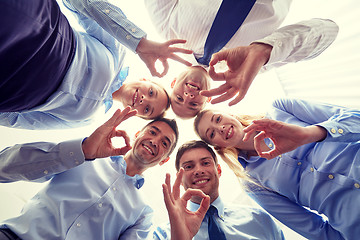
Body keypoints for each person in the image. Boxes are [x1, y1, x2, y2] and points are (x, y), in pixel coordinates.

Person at [0, 0, 192, 129]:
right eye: (151, 92)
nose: (144, 100)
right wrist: (139, 43)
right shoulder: (117, 52)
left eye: (147, 110)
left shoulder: (86, 120)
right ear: (145, 80)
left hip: (12, 89)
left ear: (137, 116)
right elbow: (84, 4)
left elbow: (20, 120)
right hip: (39, 30)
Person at [0, 107, 179, 240]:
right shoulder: (83, 155)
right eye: (153, 132)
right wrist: (82, 151)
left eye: (165, 143)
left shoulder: (143, 214)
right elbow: (4, 168)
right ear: (138, 134)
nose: (155, 141)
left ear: (164, 160)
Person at [194, 98, 360, 240]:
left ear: (230, 114)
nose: (220, 128)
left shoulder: (280, 109)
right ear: (217, 146)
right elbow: (314, 230)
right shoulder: (252, 184)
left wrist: (308, 134)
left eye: (217, 119)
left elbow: (355, 119)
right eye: (212, 134)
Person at [144, 0, 339, 118]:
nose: (188, 96)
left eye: (178, 98)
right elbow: (329, 31)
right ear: (209, 98)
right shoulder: (250, 68)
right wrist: (263, 51)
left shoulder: (166, 28)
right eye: (194, 104)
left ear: (173, 82)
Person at [154, 140, 285, 240]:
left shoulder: (259, 220)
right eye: (188, 166)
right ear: (179, 179)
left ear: (219, 170)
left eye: (205, 163)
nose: (198, 171)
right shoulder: (164, 234)